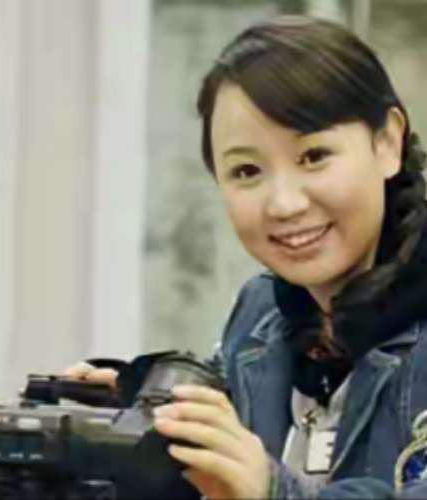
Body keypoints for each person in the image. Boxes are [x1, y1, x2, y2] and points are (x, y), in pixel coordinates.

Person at [66, 15, 427, 499]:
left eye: (314, 156)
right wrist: (141, 424)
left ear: (387, 144)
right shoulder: (262, 315)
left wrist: (270, 491)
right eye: (247, 171)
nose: (284, 204)